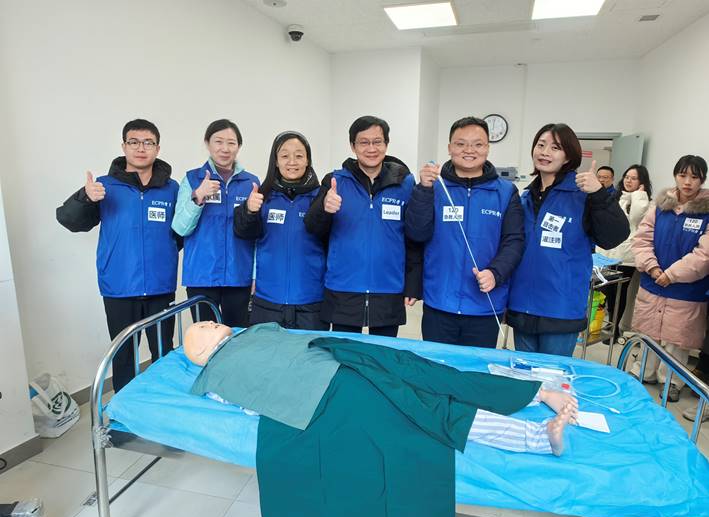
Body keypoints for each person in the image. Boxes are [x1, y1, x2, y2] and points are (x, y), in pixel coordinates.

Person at [184, 320, 577, 457]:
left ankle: (537, 392)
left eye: (204, 321)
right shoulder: (214, 376)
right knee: (421, 407)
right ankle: (537, 437)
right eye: (200, 329)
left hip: (338, 354)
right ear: (200, 355)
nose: (205, 324)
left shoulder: (254, 331)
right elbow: (251, 402)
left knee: (430, 373)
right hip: (327, 389)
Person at [56, 118, 179, 392]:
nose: (141, 148)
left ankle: (162, 406)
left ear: (158, 148)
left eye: (148, 142)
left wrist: (163, 256)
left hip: (160, 287)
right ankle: (125, 410)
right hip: (119, 287)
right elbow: (70, 221)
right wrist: (85, 197)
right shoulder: (104, 186)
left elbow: (180, 232)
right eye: (134, 142)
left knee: (164, 353)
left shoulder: (172, 189)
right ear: (124, 146)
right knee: (124, 358)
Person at [507, 123, 630, 356]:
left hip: (560, 309)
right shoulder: (525, 197)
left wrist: (599, 194)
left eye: (555, 148)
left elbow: (614, 236)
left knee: (553, 375)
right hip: (522, 305)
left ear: (568, 157)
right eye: (541, 145)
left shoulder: (582, 194)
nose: (545, 152)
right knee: (524, 373)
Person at [405, 116, 525, 347]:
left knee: (476, 369)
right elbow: (416, 233)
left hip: (485, 305)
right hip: (439, 302)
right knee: (437, 366)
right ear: (449, 147)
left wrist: (495, 273)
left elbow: (514, 241)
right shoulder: (434, 187)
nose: (469, 150)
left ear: (487, 148)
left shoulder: (505, 192)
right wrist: (423, 190)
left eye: (478, 144)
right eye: (461, 144)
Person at [304, 116, 422, 337]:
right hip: (343, 287)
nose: (371, 148)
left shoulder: (404, 183)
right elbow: (312, 228)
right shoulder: (335, 181)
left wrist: (413, 283)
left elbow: (413, 236)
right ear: (353, 146)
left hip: (388, 287)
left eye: (377, 142)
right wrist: (324, 209)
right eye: (363, 142)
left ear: (386, 144)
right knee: (345, 352)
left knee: (383, 353)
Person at [630, 155, 709, 403]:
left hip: (686, 288)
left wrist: (672, 274)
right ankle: (643, 371)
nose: (687, 182)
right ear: (675, 176)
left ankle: (672, 381)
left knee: (678, 338)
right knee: (649, 332)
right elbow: (642, 239)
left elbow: (704, 255)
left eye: (694, 177)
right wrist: (653, 268)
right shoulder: (660, 206)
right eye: (683, 175)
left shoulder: (706, 211)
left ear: (702, 180)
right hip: (653, 281)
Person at [234, 131, 328, 330]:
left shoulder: (321, 198)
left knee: (308, 351)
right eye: (285, 156)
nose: (292, 162)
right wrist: (249, 210)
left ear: (308, 160)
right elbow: (243, 232)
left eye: (299, 155)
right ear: (275, 161)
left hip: (311, 303)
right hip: (268, 301)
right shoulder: (262, 196)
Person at [171, 119, 260, 327]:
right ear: (207, 144)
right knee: (205, 339)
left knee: (238, 337)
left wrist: (256, 275)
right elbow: (180, 227)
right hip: (202, 276)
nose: (225, 148)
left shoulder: (251, 183)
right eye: (218, 142)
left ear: (239, 146)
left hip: (239, 275)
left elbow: (257, 235)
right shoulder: (192, 179)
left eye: (231, 143)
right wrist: (198, 196)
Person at [597, 165, 653, 343]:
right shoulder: (616, 196)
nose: (629, 181)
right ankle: (604, 325)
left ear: (642, 182)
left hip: (627, 256)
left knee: (619, 293)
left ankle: (614, 329)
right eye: (627, 177)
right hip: (608, 253)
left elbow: (636, 219)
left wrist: (638, 196)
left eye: (634, 178)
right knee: (606, 291)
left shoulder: (645, 201)